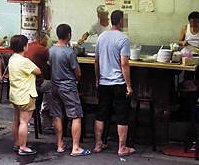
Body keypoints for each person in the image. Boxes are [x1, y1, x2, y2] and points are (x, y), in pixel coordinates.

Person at [93, 10, 135, 156]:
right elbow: (124, 64)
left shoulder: (101, 37)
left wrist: (98, 79)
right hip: (118, 83)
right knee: (122, 115)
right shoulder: (123, 39)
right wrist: (129, 85)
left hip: (104, 82)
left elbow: (96, 61)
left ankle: (98, 144)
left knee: (101, 113)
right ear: (121, 21)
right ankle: (122, 148)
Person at [49, 23, 90, 157]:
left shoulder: (51, 50)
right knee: (76, 115)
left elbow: (49, 65)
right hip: (68, 87)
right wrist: (76, 79)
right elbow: (77, 72)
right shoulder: (69, 52)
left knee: (57, 115)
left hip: (54, 85)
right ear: (69, 35)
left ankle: (60, 144)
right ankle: (76, 147)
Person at [8, 35, 41, 156]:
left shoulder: (12, 59)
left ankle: (17, 143)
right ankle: (23, 147)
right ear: (24, 46)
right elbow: (38, 71)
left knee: (16, 120)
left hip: (15, 94)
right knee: (24, 122)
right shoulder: (24, 61)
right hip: (26, 95)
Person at [25, 32, 51, 129]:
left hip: (24, 83)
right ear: (41, 39)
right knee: (53, 86)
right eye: (47, 40)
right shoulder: (43, 49)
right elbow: (51, 62)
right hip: (36, 83)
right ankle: (46, 114)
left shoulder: (27, 46)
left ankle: (36, 114)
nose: (47, 42)